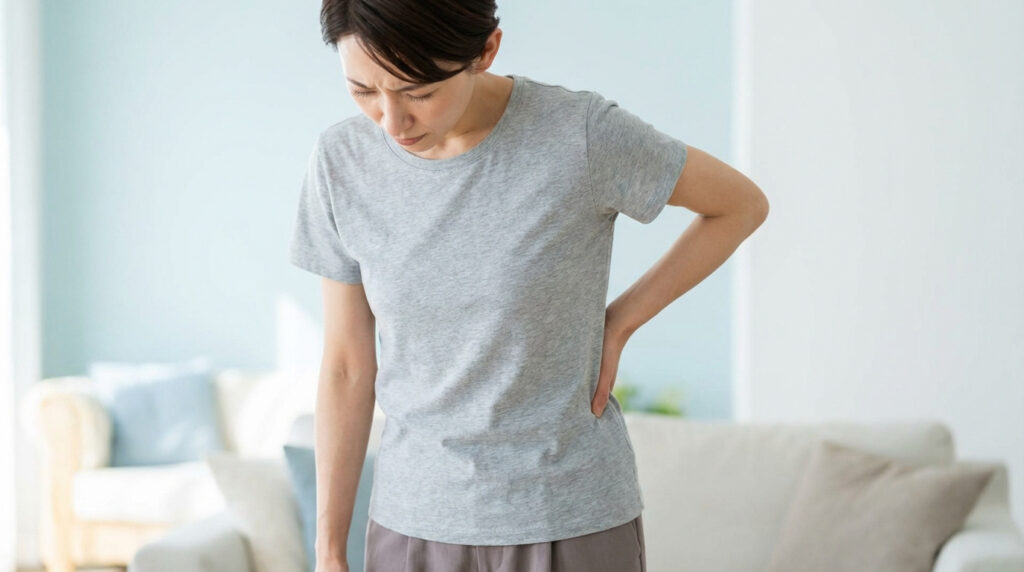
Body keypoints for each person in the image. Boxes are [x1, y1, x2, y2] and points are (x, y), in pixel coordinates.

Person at [288, 1, 770, 571]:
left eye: (418, 93)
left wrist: (618, 323)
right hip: (411, 524)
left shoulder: (579, 134)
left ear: (486, 51)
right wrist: (327, 549)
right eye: (363, 91)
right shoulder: (341, 162)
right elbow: (346, 365)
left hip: (567, 516)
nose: (392, 122)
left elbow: (740, 205)